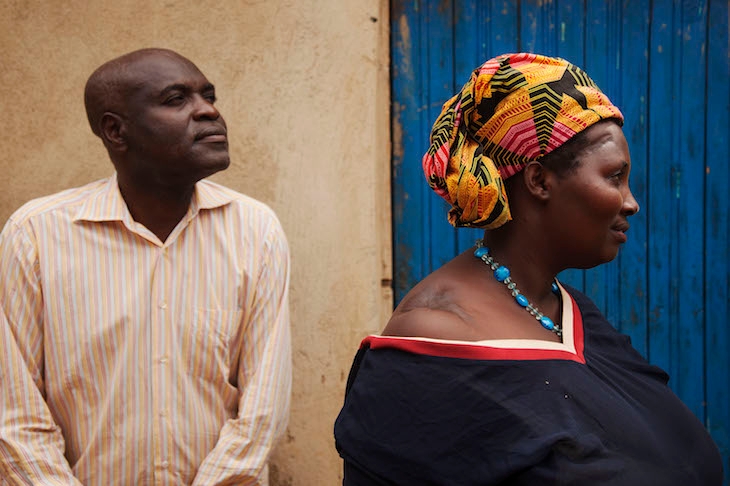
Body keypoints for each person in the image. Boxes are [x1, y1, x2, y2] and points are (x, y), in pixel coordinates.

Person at [334, 53, 723, 485]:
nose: (630, 202)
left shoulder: (571, 313)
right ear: (538, 180)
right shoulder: (433, 344)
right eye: (614, 176)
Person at [0, 48, 291, 485]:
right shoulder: (35, 235)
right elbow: (15, 415)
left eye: (208, 96)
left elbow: (262, 411)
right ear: (115, 130)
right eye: (176, 100)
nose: (208, 111)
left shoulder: (254, 230)